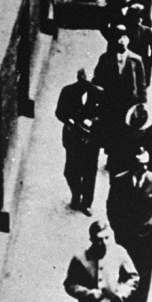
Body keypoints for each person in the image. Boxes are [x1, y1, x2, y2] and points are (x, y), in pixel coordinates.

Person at [107, 147, 152, 302]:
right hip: (125, 239)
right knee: (125, 273)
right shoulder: (119, 181)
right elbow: (111, 207)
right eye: (139, 165)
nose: (142, 168)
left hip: (145, 239)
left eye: (145, 165)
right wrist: (118, 229)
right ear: (132, 165)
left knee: (143, 276)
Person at [55, 68, 103, 215]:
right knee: (70, 172)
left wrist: (94, 121)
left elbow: (105, 114)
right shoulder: (68, 91)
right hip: (73, 139)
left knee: (89, 174)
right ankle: (76, 195)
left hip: (91, 140)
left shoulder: (98, 94)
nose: (87, 84)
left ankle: (86, 203)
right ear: (79, 78)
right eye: (84, 81)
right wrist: (71, 123)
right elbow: (59, 112)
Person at [93, 27, 147, 153]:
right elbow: (97, 79)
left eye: (124, 37)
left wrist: (142, 105)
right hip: (110, 103)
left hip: (129, 103)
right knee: (111, 131)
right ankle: (112, 155)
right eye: (118, 37)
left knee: (127, 131)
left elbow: (141, 85)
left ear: (128, 39)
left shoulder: (136, 60)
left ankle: (122, 156)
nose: (121, 41)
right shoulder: (106, 58)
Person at [124, 3, 152, 89]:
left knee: (141, 90)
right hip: (128, 66)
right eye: (135, 16)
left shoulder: (146, 31)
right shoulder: (125, 31)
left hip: (143, 66)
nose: (138, 19)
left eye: (139, 16)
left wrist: (150, 62)